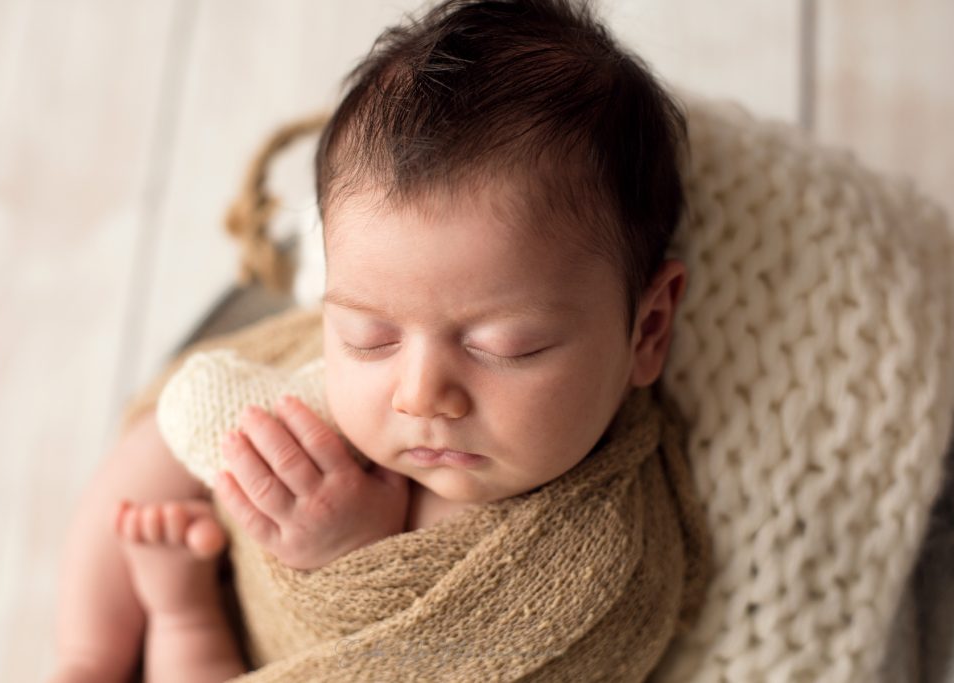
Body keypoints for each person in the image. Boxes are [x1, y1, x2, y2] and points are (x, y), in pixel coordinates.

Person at [49, 0, 696, 680]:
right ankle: (92, 654)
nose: (420, 394)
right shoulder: (322, 371)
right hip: (193, 560)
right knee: (163, 439)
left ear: (647, 329)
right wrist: (89, 655)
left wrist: (350, 560)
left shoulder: (593, 573)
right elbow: (166, 436)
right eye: (370, 336)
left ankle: (180, 617)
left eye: (505, 346)